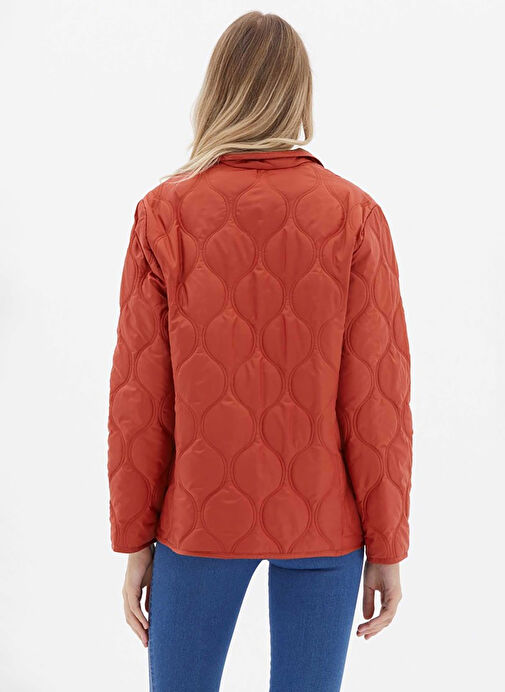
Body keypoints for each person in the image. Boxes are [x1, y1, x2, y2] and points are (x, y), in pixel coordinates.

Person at [107, 11, 413, 692]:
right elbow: (377, 400)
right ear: (298, 94)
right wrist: (387, 544)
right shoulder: (354, 214)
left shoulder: (163, 213)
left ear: (217, 90)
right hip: (325, 522)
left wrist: (135, 540)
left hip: (197, 520)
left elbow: (139, 399)